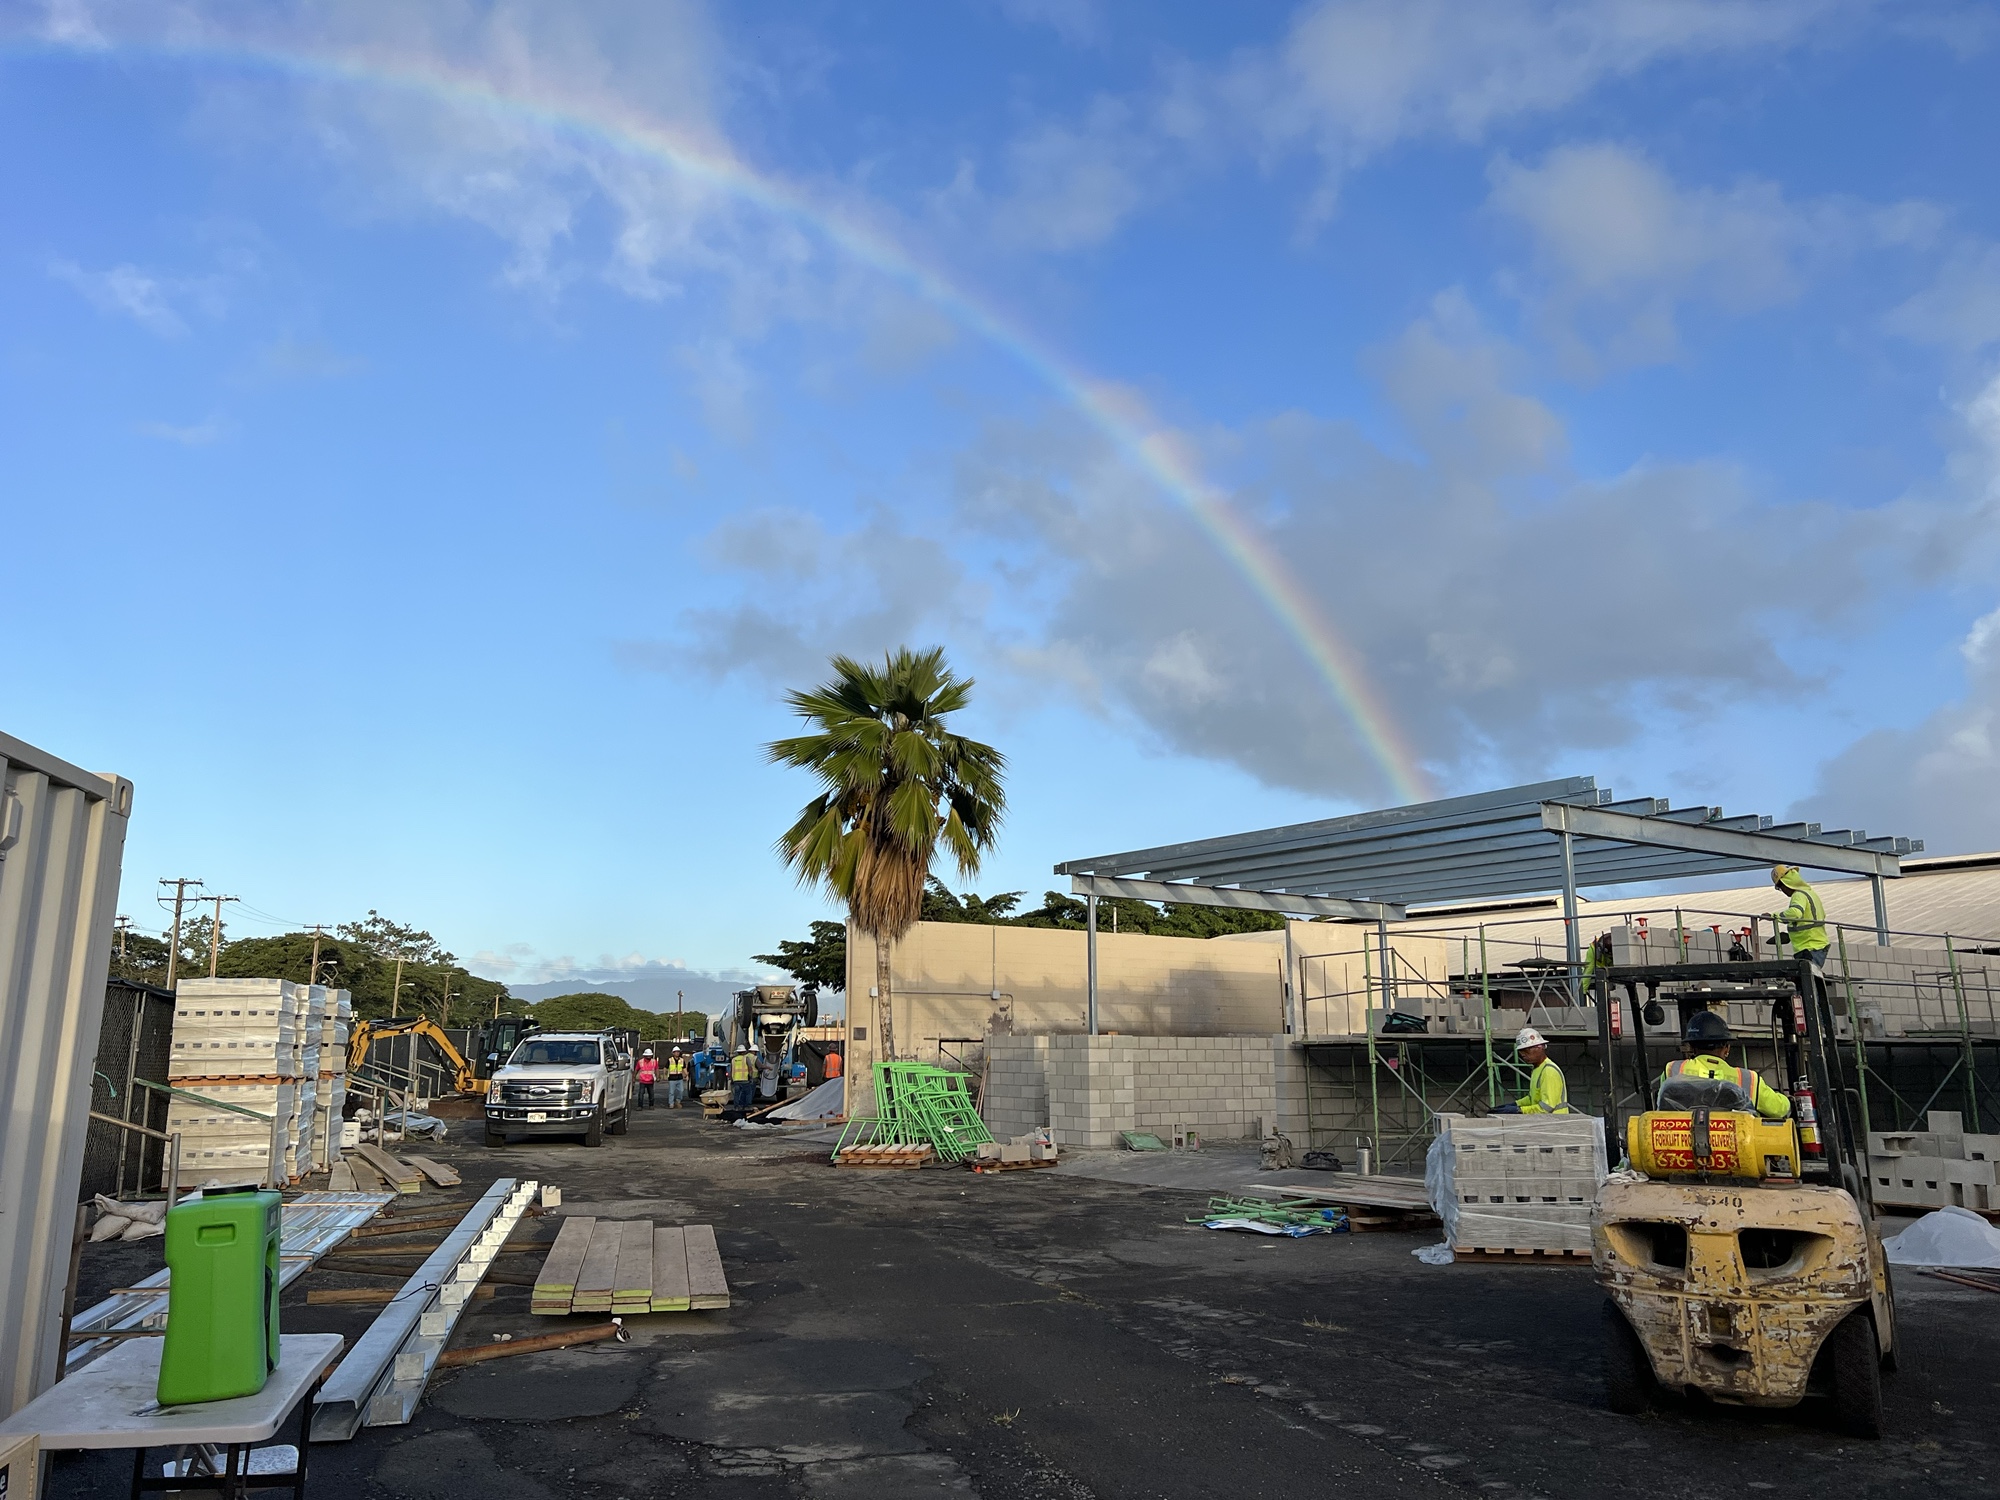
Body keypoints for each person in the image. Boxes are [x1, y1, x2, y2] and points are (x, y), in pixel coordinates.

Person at [1658, 1012, 1792, 1118]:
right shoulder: (1748, 1079)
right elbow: (1778, 1110)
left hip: (1681, 1147)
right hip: (1737, 1148)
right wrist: (1789, 1101)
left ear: (1691, 1047)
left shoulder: (1672, 1069)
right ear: (1727, 1048)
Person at [1492, 1027, 1569, 1114]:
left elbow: (1547, 1108)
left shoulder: (1548, 1071)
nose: (1523, 1055)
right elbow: (1532, 1098)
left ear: (1540, 1048)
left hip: (1556, 1122)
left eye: (1526, 1050)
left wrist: (1520, 1110)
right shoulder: (1537, 1069)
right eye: (1521, 1051)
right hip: (1547, 1122)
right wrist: (1515, 1104)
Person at [1770, 864, 1829, 970]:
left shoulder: (1798, 895)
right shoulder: (1811, 893)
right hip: (1816, 946)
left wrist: (1774, 916)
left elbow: (1796, 913)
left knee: (1805, 979)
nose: (1782, 891)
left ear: (1786, 882)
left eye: (1780, 887)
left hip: (1809, 946)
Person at [729, 1044, 755, 1111]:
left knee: (737, 1094)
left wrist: (731, 1079)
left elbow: (731, 1070)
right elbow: (750, 1068)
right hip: (745, 1080)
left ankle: (736, 1107)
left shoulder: (733, 1060)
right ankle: (747, 1106)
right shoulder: (746, 1059)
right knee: (748, 1093)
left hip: (736, 1080)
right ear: (744, 1052)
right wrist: (751, 1077)